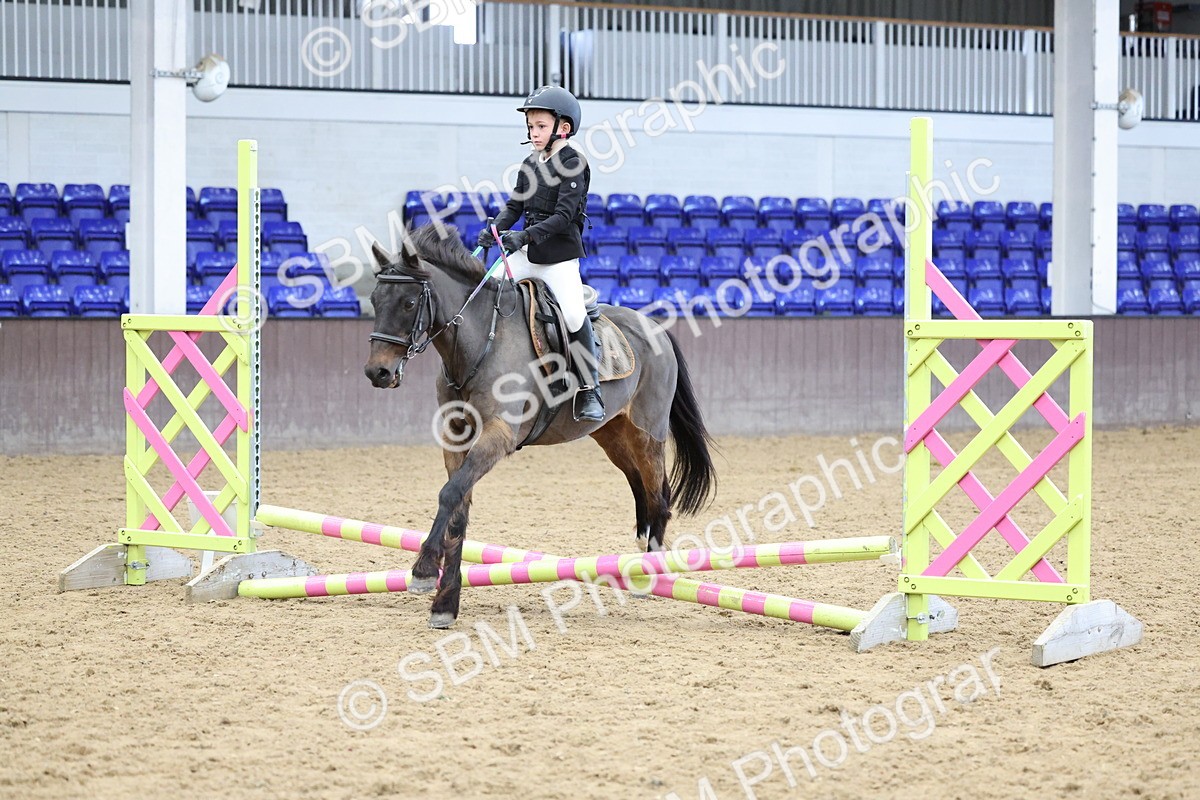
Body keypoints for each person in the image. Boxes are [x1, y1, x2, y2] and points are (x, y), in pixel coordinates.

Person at [478, 85, 603, 422]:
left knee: (575, 315)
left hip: (559, 257)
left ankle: (590, 389)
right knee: (488, 292)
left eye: (541, 126)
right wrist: (494, 229)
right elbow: (513, 207)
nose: (534, 133)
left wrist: (523, 237)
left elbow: (563, 217)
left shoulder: (573, 162)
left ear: (563, 128)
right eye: (531, 127)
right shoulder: (530, 163)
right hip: (526, 250)